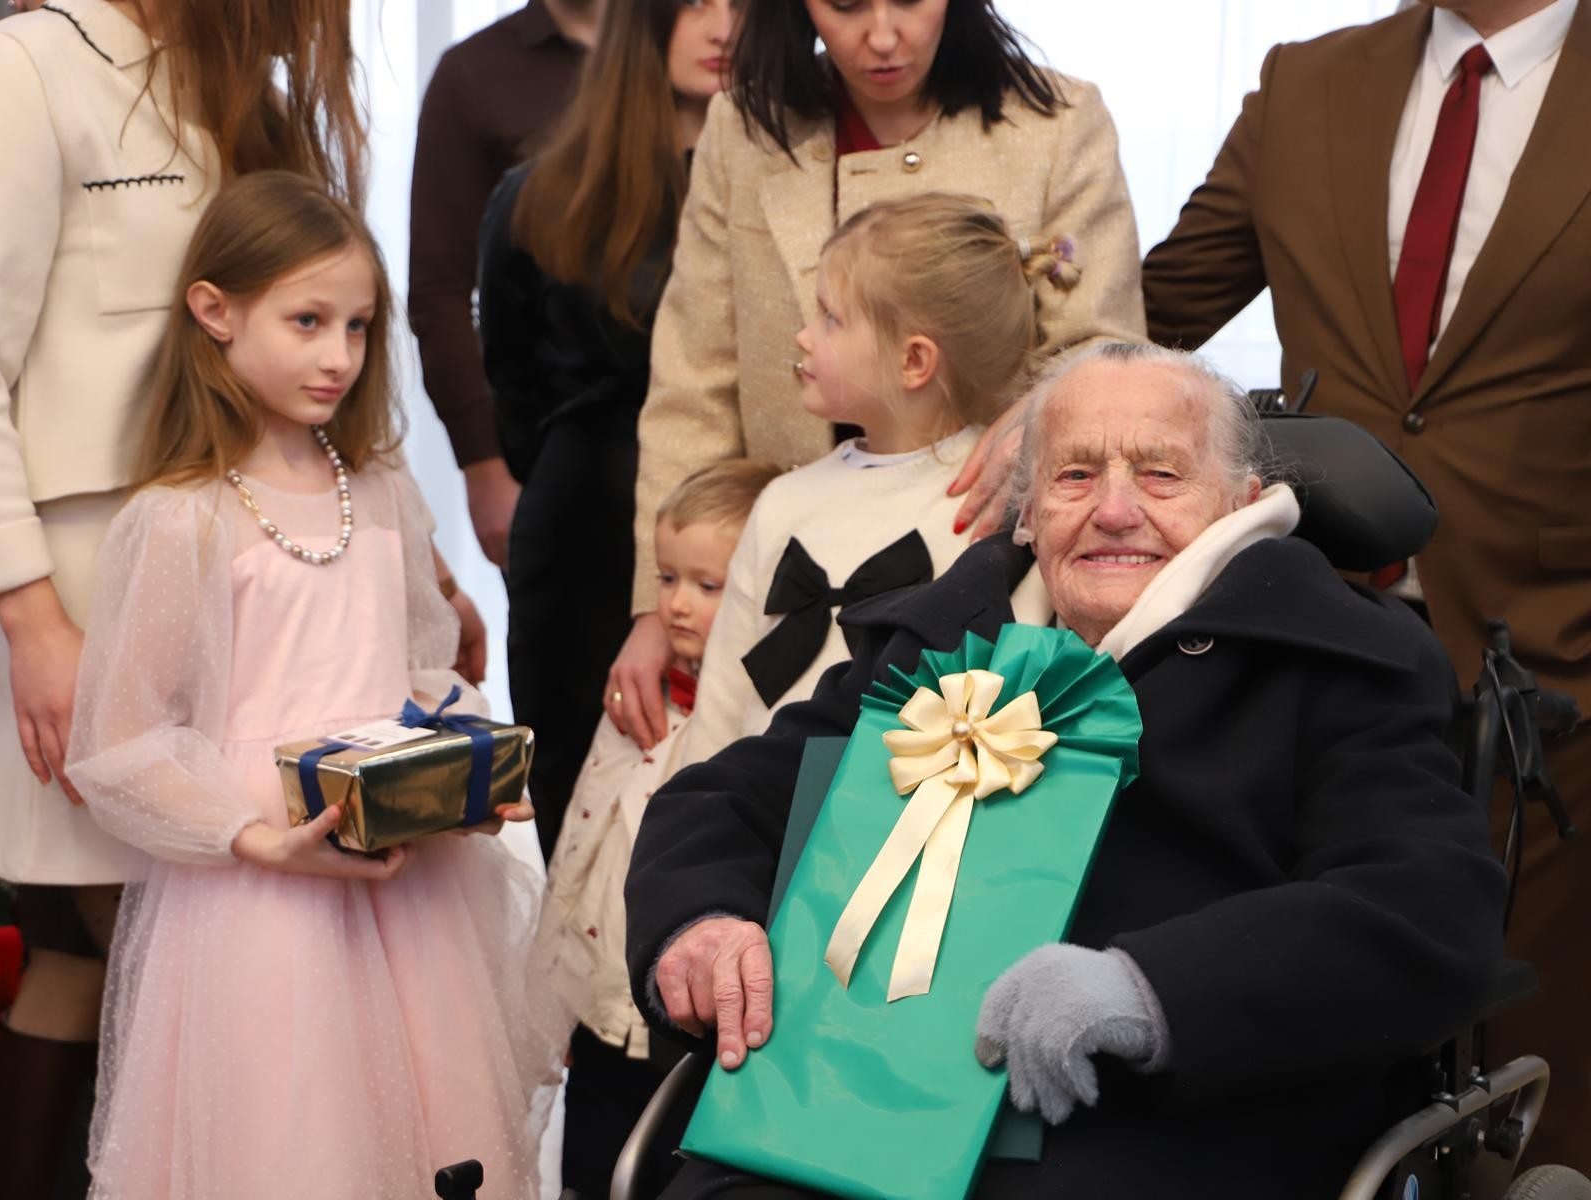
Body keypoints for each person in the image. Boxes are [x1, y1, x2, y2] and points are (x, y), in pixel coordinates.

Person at [625, 343, 1508, 1199]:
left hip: (1151, 1132)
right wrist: (701, 922)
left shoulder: (1337, 660)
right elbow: (725, 799)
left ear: (1242, 502)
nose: (1114, 510)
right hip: (836, 1114)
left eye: (1161, 475)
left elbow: (1427, 906)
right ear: (1027, 511)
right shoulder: (940, 638)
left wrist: (1154, 991)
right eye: (1075, 475)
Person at [0, 3, 447, 1194]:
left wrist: (401, 542)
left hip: (275, 562)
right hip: (95, 580)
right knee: (98, 942)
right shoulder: (16, 72)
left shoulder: (242, 84)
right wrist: (30, 617)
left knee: (242, 946)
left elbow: (321, 331)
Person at [1141, 0, 1590, 1167]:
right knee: (1327, 1010)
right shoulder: (1307, 82)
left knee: (1536, 1051)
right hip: (1317, 638)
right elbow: (1151, 314)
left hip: (1555, 652)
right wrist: (1051, 401)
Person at [64, 172, 560, 1200]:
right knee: (299, 1140)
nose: (340, 355)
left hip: (411, 891)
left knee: (431, 1130)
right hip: (263, 901)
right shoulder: (181, 518)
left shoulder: (381, 492)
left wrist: (461, 777)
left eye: (359, 326)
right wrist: (254, 839)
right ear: (216, 311)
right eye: (308, 321)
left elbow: (422, 674)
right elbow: (119, 742)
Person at [605, 0, 1147, 756]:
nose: (884, 36)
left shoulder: (1056, 122)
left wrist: (1039, 425)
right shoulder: (745, 124)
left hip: (974, 536)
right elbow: (694, 379)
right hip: (774, 569)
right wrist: (660, 599)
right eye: (847, 5)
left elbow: (1104, 353)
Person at [680, 192, 1076, 768]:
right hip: (759, 799)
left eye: (830, 318)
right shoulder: (783, 501)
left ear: (913, 361)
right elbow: (720, 701)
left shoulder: (993, 506)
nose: (804, 336)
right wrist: (696, 802)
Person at [478, 0, 739, 860]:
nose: (725, 26)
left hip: (736, 521)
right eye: (697, 2)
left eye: (745, 4)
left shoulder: (777, 187)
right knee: (578, 814)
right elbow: (510, 377)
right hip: (580, 530)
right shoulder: (540, 193)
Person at [534, 458, 778, 1200]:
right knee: (589, 1170)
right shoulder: (637, 704)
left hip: (680, 1022)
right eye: (667, 578)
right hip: (600, 1008)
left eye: (708, 585)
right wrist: (560, 995)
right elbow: (581, 849)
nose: (676, 604)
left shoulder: (756, 728)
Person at [410, 0, 598, 568]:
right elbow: (440, 290)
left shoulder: (692, 45)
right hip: (545, 447)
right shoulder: (474, 72)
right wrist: (483, 467)